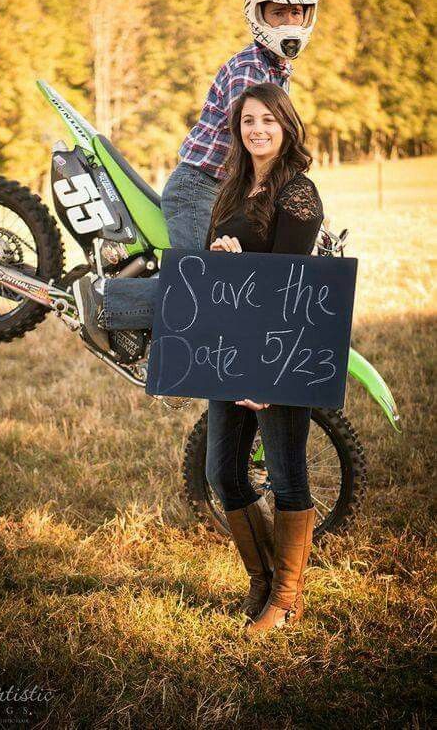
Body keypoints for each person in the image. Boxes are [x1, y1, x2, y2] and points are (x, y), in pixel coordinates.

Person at [73, 0, 320, 351]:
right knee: (201, 285)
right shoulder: (251, 72)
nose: (289, 20)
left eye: (296, 11)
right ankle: (106, 300)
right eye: (278, 11)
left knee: (233, 283)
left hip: (224, 189)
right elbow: (254, 147)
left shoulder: (278, 69)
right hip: (200, 188)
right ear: (258, 15)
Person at [205, 82, 323, 632]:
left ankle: (287, 598)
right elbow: (221, 275)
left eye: (268, 121)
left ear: (286, 126)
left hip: (280, 353)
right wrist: (222, 256)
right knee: (223, 472)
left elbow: (287, 286)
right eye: (248, 120)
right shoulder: (229, 191)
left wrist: (267, 374)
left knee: (285, 474)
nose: (257, 129)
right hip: (229, 350)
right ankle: (261, 580)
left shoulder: (299, 193)